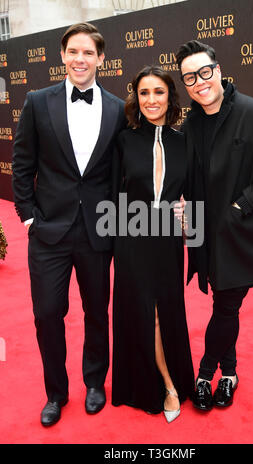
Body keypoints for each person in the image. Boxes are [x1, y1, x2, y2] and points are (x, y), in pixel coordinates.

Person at [12, 22, 126, 426]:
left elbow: (119, 172)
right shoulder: (37, 102)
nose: (80, 59)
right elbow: (22, 165)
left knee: (98, 310)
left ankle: (95, 382)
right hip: (48, 232)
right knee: (47, 313)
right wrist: (28, 218)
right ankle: (55, 393)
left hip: (98, 231)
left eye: (88, 53)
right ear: (62, 56)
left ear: (101, 59)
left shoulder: (116, 108)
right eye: (73, 51)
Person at [175, 40, 253, 410]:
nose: (199, 82)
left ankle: (206, 374)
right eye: (190, 77)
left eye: (204, 72)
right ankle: (231, 372)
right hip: (205, 237)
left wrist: (240, 207)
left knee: (225, 306)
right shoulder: (191, 123)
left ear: (219, 70)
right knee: (227, 305)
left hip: (242, 235)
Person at [111, 65, 194, 422]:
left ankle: (171, 377)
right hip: (132, 236)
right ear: (136, 98)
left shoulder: (183, 141)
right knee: (149, 312)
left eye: (158, 92)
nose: (151, 100)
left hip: (169, 239)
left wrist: (190, 219)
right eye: (144, 93)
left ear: (170, 97)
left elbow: (192, 194)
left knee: (169, 309)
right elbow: (113, 193)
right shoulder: (124, 139)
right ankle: (166, 385)